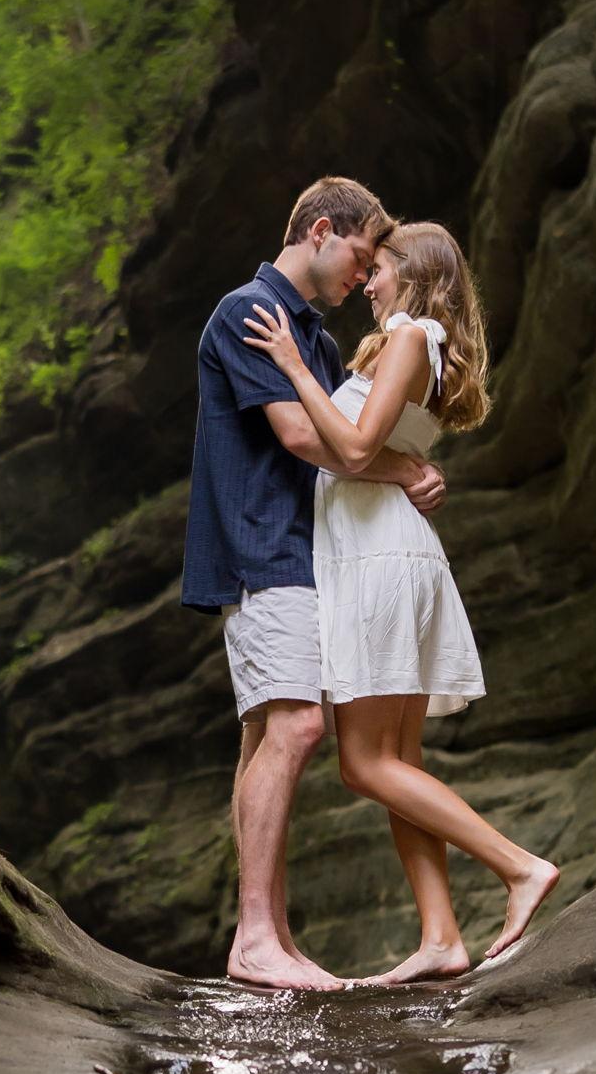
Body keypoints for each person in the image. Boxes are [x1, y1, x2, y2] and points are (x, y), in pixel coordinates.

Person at [243, 221, 560, 981]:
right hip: (388, 550)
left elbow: (353, 449)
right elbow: (379, 450)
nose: (369, 284)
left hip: (376, 558)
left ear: (413, 276)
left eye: (379, 269)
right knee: (398, 762)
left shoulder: (411, 336)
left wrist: (293, 366)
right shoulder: (411, 344)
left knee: (362, 764)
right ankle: (442, 937)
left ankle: (519, 868)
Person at [180, 177, 449, 991]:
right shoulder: (249, 312)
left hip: (312, 552)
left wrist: (405, 467)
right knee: (298, 727)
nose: (364, 276)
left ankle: (268, 936)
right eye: (360, 256)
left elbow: (347, 444)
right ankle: (257, 938)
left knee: (267, 735)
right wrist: (402, 468)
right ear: (322, 231)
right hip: (265, 549)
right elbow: (303, 436)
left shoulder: (318, 344)